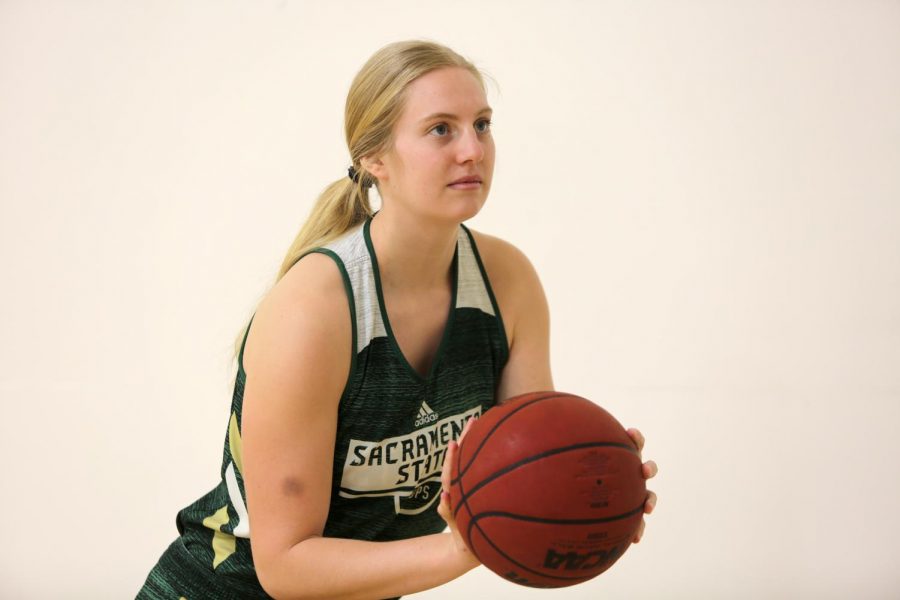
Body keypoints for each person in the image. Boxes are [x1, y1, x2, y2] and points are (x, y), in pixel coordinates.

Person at [138, 39, 658, 600]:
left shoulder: (506, 280)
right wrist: (466, 544)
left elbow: (526, 465)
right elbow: (286, 564)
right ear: (374, 158)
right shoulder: (316, 307)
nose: (472, 151)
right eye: (441, 129)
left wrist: (591, 486)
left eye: (481, 125)